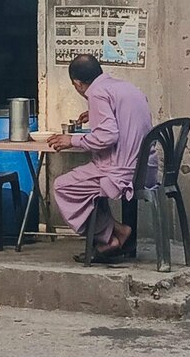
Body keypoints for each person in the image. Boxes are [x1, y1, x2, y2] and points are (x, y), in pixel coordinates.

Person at [48, 54, 154, 262]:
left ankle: (115, 232)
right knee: (89, 186)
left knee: (63, 186)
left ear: (77, 84)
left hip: (121, 170)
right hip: (146, 168)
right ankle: (111, 238)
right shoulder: (126, 87)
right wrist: (94, 112)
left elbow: (108, 136)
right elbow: (125, 120)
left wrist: (72, 140)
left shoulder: (97, 93)